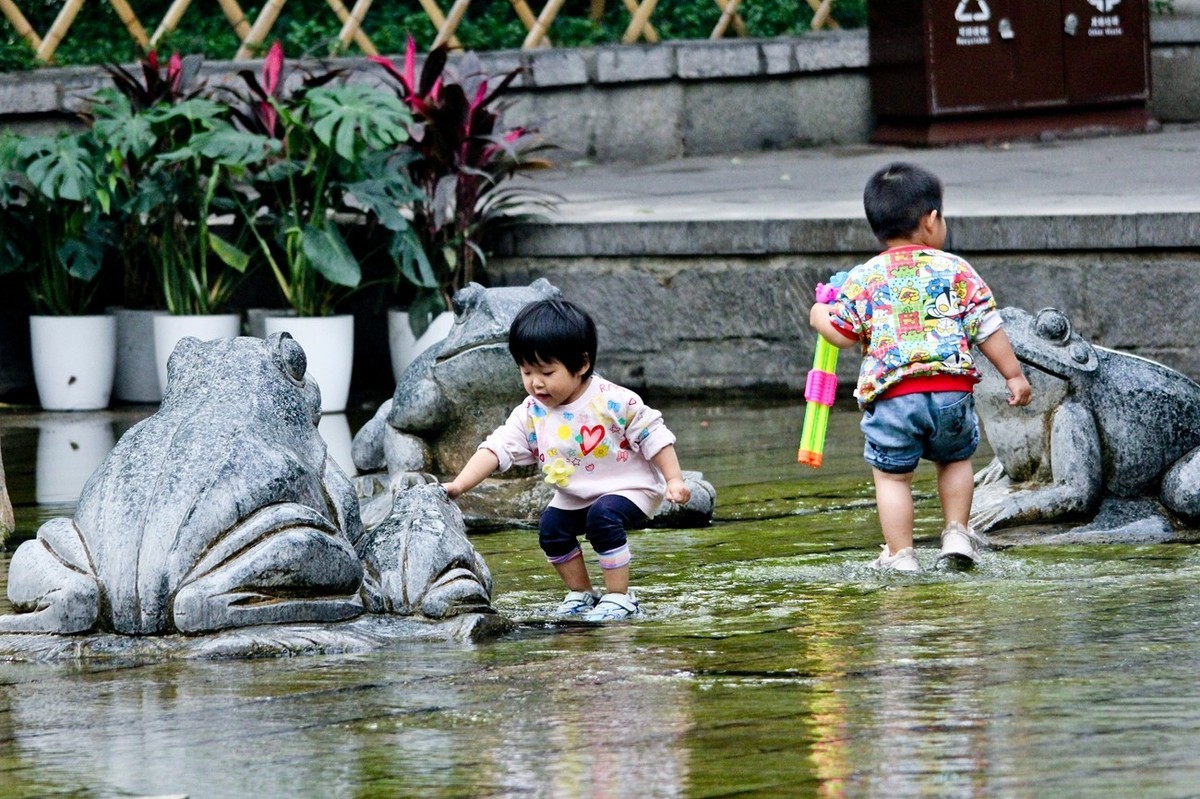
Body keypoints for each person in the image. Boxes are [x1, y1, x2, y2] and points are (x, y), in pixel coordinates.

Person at [808, 162, 1032, 573]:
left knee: (893, 478)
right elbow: (987, 325)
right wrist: (1013, 374)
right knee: (956, 460)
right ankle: (957, 534)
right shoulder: (956, 269)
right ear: (931, 221)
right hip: (951, 390)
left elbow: (840, 334)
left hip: (894, 397)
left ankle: (901, 554)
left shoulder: (864, 277)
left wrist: (818, 313)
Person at [443, 298, 692, 620]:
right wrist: (459, 485)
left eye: (547, 371)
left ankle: (620, 597)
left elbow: (653, 435)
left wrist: (674, 480)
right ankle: (582, 593)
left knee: (603, 518)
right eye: (526, 371)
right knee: (551, 527)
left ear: (582, 364)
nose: (536, 382)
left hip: (631, 486)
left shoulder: (614, 401)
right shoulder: (532, 411)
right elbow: (496, 447)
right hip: (576, 493)